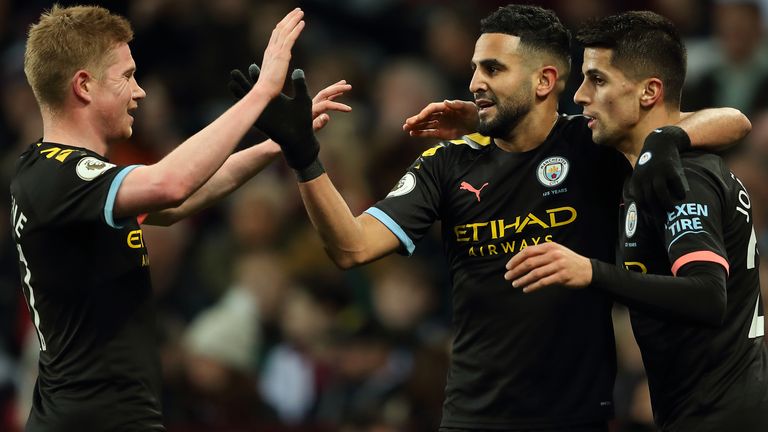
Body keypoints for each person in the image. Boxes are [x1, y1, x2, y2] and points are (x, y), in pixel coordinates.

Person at [246, 5, 750, 431]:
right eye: (474, 69)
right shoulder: (447, 163)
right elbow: (351, 247)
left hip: (577, 416)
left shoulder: (592, 144)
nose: (473, 83)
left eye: (492, 69)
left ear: (544, 81)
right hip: (474, 415)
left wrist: (668, 140)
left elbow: (730, 120)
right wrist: (304, 157)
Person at [13, 5, 351, 431]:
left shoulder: (58, 175)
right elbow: (168, 184)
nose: (140, 92)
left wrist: (278, 143)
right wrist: (261, 92)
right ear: (83, 86)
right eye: (126, 75)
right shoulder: (59, 173)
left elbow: (175, 202)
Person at [504, 11, 768, 431]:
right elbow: (733, 119)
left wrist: (590, 272)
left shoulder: (683, 179)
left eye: (599, 79)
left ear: (649, 92)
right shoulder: (648, 167)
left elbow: (706, 295)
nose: (580, 95)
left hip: (720, 418)